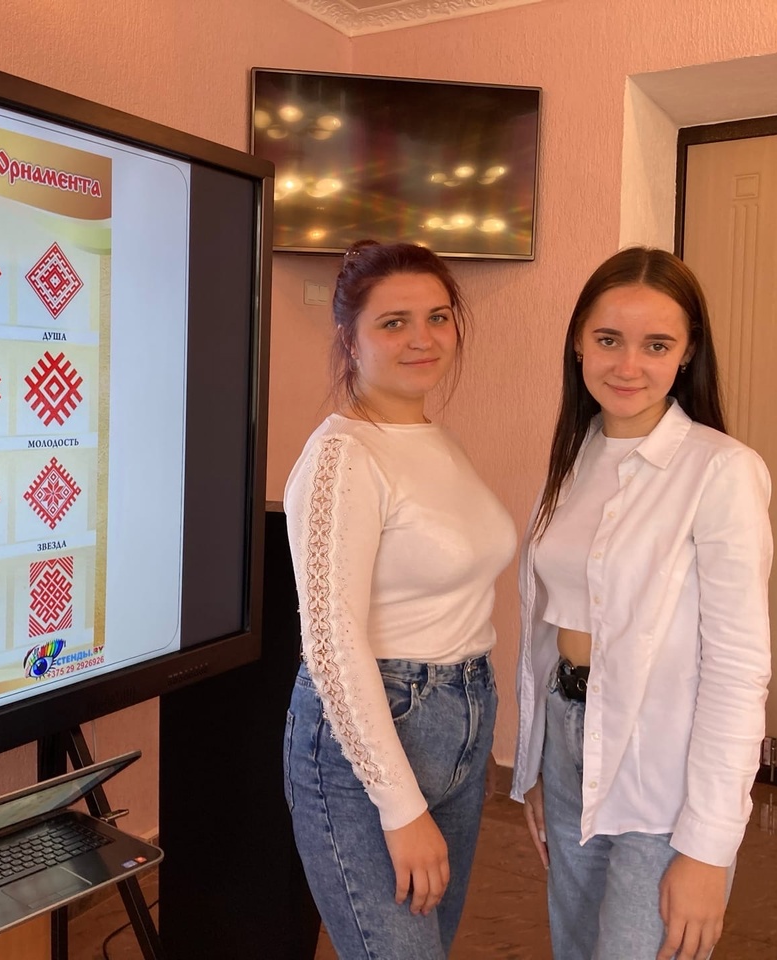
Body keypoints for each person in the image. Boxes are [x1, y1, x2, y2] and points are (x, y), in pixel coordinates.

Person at [511, 247, 772, 960]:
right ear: (578, 342)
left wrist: (709, 847)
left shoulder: (721, 471)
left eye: (656, 345)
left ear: (687, 354)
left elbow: (737, 668)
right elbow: (543, 629)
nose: (628, 366)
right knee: (574, 947)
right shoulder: (573, 460)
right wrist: (535, 764)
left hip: (663, 767)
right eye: (608, 339)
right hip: (567, 746)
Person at [282, 239, 516, 959]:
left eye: (438, 317)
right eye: (394, 323)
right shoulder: (343, 456)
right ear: (349, 339)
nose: (423, 338)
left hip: (462, 717)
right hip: (370, 741)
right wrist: (400, 804)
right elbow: (331, 643)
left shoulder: (436, 441)